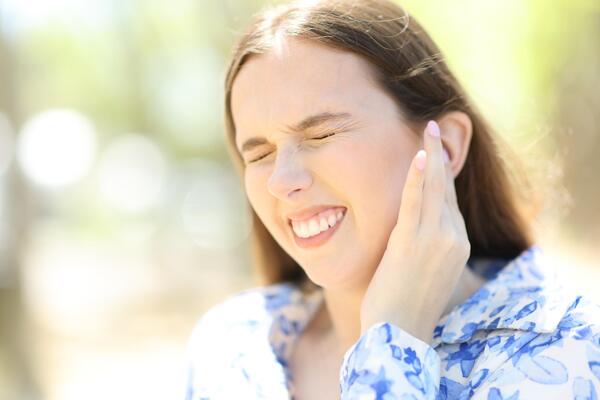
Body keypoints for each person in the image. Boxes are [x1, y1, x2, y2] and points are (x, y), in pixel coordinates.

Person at [184, 0, 600, 398]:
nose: (281, 180)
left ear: (447, 147)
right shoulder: (231, 350)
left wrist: (392, 343)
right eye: (259, 154)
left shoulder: (559, 348)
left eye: (322, 134)